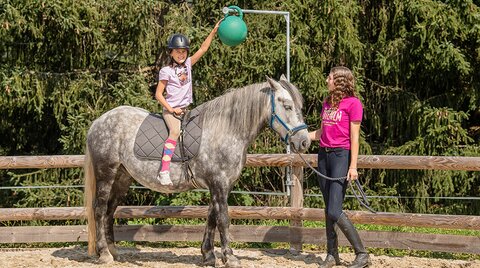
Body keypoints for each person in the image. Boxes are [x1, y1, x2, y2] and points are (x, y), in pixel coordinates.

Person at [308, 66, 371, 268]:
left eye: (330, 77)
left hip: (340, 156)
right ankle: (331, 254)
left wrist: (353, 166)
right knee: (328, 209)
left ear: (340, 81)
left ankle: (361, 254)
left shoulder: (353, 104)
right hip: (323, 156)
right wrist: (300, 136)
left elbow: (355, 137)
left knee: (335, 210)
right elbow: (322, 132)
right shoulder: (327, 103)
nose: (327, 80)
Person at [155, 20, 222, 185]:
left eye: (184, 51)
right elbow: (158, 94)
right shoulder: (166, 71)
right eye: (178, 52)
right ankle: (163, 171)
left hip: (186, 110)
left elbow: (203, 48)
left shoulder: (188, 65)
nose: (181, 54)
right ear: (171, 53)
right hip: (171, 111)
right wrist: (171, 109)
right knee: (175, 132)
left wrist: (213, 31)